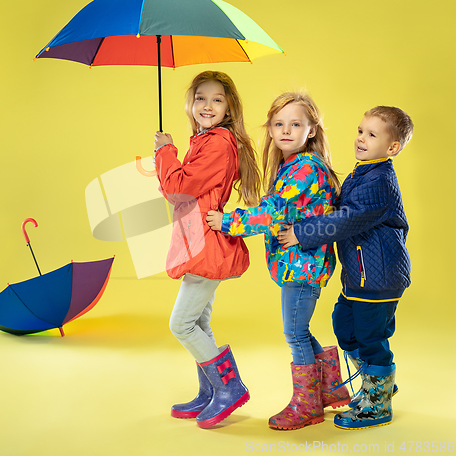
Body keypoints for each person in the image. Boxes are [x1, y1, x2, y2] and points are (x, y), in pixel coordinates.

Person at [207, 91, 350, 430]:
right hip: (300, 266)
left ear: (311, 130)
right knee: (301, 330)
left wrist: (227, 222)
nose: (286, 130)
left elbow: (271, 212)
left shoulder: (304, 169)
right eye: (279, 124)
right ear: (270, 130)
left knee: (295, 334)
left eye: (295, 124)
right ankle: (330, 389)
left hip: (302, 266)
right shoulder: (294, 166)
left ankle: (306, 406)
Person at [279, 106, 413, 430]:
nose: (361, 139)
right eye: (360, 131)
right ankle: (374, 380)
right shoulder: (362, 172)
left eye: (371, 135)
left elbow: (347, 219)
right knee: (343, 324)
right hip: (361, 275)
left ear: (392, 147)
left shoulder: (380, 180)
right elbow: (340, 205)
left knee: (370, 337)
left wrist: (303, 232)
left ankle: (377, 401)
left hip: (378, 279)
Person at [153, 71, 261, 429]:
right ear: (190, 103)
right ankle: (210, 392)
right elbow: (183, 188)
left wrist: (164, 151)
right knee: (199, 322)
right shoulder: (204, 141)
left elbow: (177, 187)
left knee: (181, 324)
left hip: (205, 245)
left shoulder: (216, 143)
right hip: (196, 237)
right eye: (201, 98)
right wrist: (171, 164)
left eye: (217, 99)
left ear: (229, 106)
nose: (208, 105)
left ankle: (229, 388)